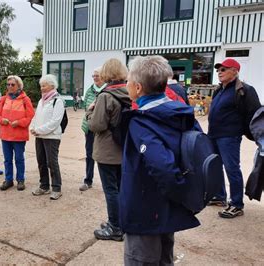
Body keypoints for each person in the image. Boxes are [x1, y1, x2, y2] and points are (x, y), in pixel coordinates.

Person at [120, 55, 200, 265]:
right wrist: (183, 198)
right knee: (165, 258)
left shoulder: (144, 121)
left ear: (138, 88)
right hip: (166, 209)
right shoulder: (181, 113)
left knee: (141, 259)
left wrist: (180, 194)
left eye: (128, 81)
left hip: (144, 212)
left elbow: (163, 167)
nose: (126, 84)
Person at [207, 58, 261, 218]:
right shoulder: (219, 89)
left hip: (229, 136)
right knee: (215, 166)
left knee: (232, 168)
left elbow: (256, 113)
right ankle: (220, 196)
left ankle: (237, 204)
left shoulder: (244, 90)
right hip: (214, 135)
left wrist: (250, 132)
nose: (219, 72)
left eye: (224, 69)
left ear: (235, 71)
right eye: (218, 70)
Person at [86, 59, 130, 241]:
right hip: (123, 148)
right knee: (121, 188)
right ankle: (121, 222)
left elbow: (97, 125)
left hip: (107, 150)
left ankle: (115, 227)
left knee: (111, 190)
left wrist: (89, 112)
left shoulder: (106, 95)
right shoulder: (128, 91)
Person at [0, 75, 35, 191]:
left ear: (19, 86)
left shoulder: (25, 100)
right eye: (8, 84)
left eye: (13, 84)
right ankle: (8, 180)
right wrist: (2, 120)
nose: (10, 87)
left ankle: (20, 180)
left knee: (19, 159)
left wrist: (19, 122)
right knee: (7, 159)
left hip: (19, 136)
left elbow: (30, 116)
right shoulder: (3, 99)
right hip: (5, 135)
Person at [30, 74, 65, 200]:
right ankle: (44, 186)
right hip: (39, 136)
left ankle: (56, 188)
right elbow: (36, 116)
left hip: (52, 137)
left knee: (52, 162)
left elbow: (55, 122)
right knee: (41, 161)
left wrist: (39, 130)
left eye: (44, 85)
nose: (42, 88)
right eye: (41, 86)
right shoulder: (41, 100)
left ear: (52, 86)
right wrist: (32, 127)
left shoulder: (58, 101)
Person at [79, 67, 106, 191]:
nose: (95, 78)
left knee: (103, 155)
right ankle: (88, 180)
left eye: (97, 75)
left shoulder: (107, 90)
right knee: (89, 154)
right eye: (93, 76)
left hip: (102, 129)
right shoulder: (90, 90)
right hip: (89, 127)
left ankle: (107, 182)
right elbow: (86, 107)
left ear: (103, 76)